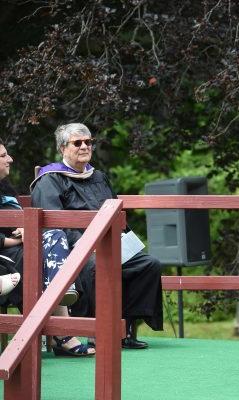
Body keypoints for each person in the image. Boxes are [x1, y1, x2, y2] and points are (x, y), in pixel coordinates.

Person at [30, 123, 163, 349]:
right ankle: (96, 331)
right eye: (77, 143)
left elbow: (116, 211)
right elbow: (52, 223)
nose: (84, 146)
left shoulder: (98, 177)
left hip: (108, 243)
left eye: (88, 142)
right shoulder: (50, 179)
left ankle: (125, 329)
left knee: (149, 264)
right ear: (63, 148)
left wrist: (126, 239)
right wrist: (85, 244)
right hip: (75, 250)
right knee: (96, 265)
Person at [0, 140, 94, 356]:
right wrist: (21, 236)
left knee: (56, 236)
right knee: (49, 249)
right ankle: (63, 326)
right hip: (7, 253)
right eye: (3, 156)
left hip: (24, 243)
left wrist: (28, 230)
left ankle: (62, 299)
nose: (10, 159)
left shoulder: (4, 187)